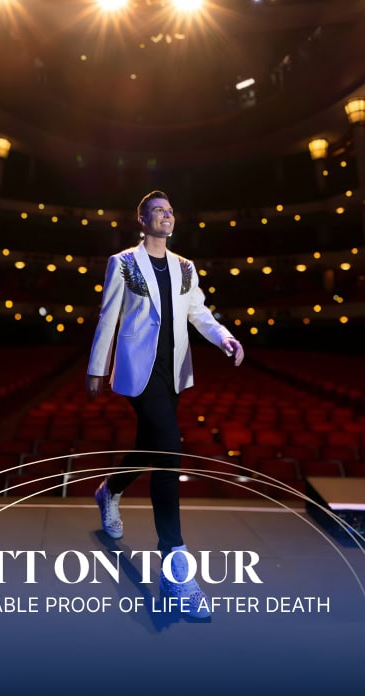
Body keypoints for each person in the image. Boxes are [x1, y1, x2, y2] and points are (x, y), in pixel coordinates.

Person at [85, 190, 244, 618]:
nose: (166, 217)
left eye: (170, 211)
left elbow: (199, 313)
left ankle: (110, 490)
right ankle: (174, 565)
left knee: (151, 446)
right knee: (168, 451)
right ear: (142, 219)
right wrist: (96, 367)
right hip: (139, 370)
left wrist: (225, 337)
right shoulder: (124, 262)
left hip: (172, 371)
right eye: (157, 211)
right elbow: (108, 316)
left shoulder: (185, 267)